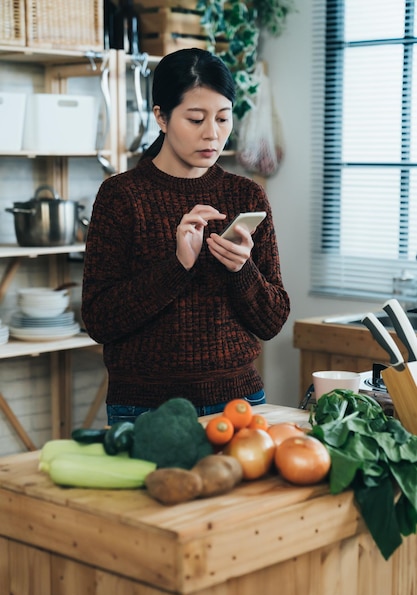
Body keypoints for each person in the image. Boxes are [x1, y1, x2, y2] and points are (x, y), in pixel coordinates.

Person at [81, 47, 290, 425]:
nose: (212, 134)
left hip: (240, 402)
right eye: (195, 119)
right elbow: (99, 320)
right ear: (161, 116)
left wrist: (242, 270)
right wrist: (177, 266)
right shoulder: (121, 196)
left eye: (223, 118)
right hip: (145, 410)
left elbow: (272, 321)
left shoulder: (246, 196)